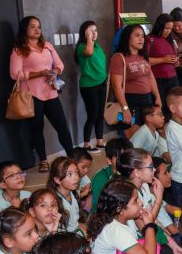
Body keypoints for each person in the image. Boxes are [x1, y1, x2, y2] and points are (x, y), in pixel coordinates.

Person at [9, 15, 74, 173]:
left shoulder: (47, 46)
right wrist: (38, 74)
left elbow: (60, 64)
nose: (37, 29)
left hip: (50, 92)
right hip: (32, 95)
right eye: (32, 26)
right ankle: (43, 160)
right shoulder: (19, 50)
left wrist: (55, 72)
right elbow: (14, 74)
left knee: (62, 126)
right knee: (37, 128)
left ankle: (72, 156)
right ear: (25, 29)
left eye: (38, 26)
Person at [110, 24, 161, 139]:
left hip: (147, 102)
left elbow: (150, 77)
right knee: (135, 140)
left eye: (143, 36)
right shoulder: (119, 57)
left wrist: (157, 96)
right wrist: (125, 108)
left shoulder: (143, 56)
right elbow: (116, 86)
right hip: (130, 102)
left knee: (148, 138)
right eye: (137, 36)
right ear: (127, 37)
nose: (141, 39)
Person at [75, 20, 107, 152]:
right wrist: (88, 37)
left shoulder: (97, 46)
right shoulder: (82, 47)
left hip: (102, 83)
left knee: (100, 114)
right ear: (85, 33)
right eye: (91, 31)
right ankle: (86, 144)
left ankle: (100, 141)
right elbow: (89, 52)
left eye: (95, 30)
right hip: (89, 86)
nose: (94, 33)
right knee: (92, 115)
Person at [147, 14, 180, 117]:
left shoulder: (170, 40)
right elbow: (144, 61)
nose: (168, 31)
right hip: (157, 79)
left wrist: (175, 61)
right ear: (159, 26)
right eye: (166, 28)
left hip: (173, 77)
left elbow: (172, 57)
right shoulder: (150, 39)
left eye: (170, 29)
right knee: (159, 106)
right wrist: (163, 60)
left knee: (174, 107)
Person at [91, 137, 133, 212]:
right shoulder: (101, 178)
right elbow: (102, 208)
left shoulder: (133, 172)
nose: (125, 160)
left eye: (128, 156)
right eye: (120, 157)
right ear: (109, 160)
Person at [48, 157, 83, 234]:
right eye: (69, 174)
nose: (76, 177)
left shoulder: (73, 192)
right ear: (58, 180)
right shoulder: (54, 202)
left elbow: (76, 221)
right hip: (65, 237)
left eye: (76, 172)